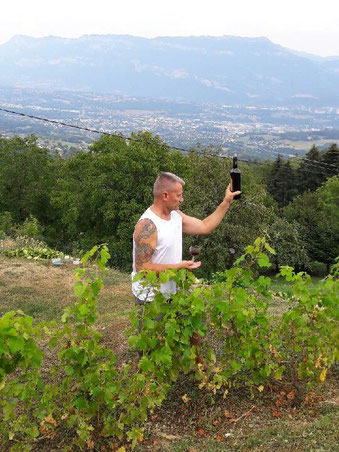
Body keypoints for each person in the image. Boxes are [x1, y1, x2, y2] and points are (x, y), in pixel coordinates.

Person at [132, 171, 241, 302]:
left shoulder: (175, 215)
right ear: (165, 195)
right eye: (179, 195)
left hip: (174, 293)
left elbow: (205, 226)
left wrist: (226, 202)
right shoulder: (147, 225)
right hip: (152, 300)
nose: (182, 199)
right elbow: (142, 269)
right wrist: (178, 267)